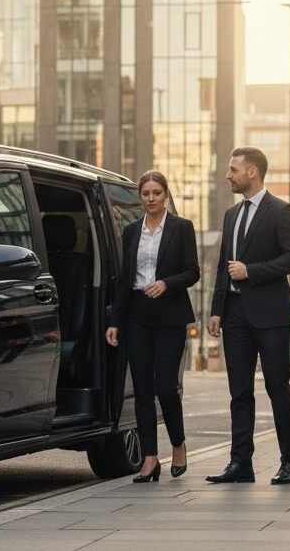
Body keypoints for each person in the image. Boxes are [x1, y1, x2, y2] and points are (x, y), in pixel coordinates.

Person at [205, 147, 290, 485]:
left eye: (233, 170)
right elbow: (223, 267)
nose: (228, 175)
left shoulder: (281, 211)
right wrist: (217, 310)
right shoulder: (231, 214)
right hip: (235, 317)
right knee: (239, 393)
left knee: (278, 387)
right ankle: (240, 464)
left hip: (272, 315)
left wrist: (252, 271)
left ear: (252, 172)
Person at [105, 170, 200, 483]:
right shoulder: (132, 231)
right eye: (145, 194)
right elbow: (123, 279)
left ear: (166, 194)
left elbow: (192, 272)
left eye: (156, 193)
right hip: (137, 315)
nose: (150, 199)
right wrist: (115, 322)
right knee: (142, 389)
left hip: (170, 314)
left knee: (165, 387)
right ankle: (149, 458)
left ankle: (178, 443)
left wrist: (166, 284)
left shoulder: (182, 227)